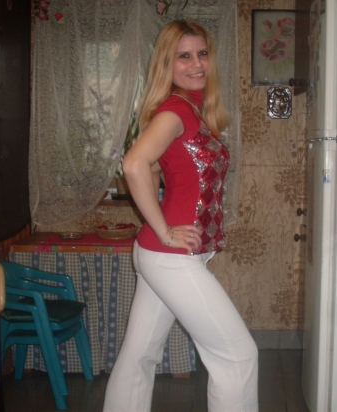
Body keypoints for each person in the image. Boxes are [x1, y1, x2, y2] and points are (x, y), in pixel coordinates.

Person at [103, 20, 259, 412]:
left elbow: (156, 167)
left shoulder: (191, 110)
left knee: (139, 358)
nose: (197, 64)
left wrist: (161, 219)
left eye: (202, 54)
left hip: (164, 255)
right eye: (184, 56)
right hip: (171, 257)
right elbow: (134, 164)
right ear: (166, 64)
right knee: (237, 357)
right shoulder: (176, 111)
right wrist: (165, 230)